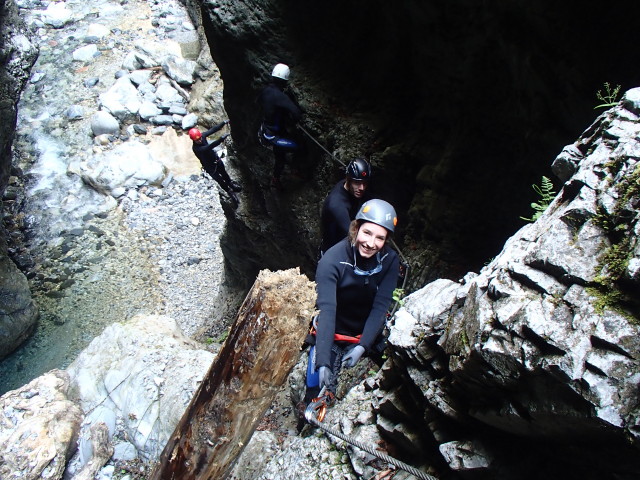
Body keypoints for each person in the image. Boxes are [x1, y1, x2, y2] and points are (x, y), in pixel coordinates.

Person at [302, 199, 400, 416]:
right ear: (356, 228)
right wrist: (324, 361)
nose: (371, 243)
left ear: (387, 240)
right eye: (367, 233)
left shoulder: (389, 260)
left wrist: (363, 346)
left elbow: (381, 306)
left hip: (365, 332)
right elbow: (327, 309)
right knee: (315, 385)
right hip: (335, 331)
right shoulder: (333, 260)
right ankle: (307, 422)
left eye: (380, 238)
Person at [257, 63, 304, 190]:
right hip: (272, 136)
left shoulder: (265, 90)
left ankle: (275, 179)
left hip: (269, 131)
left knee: (280, 157)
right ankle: (295, 170)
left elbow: (260, 103)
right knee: (297, 147)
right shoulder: (280, 96)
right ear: (285, 80)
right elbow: (296, 113)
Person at [319, 158, 372, 255]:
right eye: (357, 183)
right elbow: (353, 235)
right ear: (348, 179)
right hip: (333, 253)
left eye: (364, 183)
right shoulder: (336, 205)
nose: (362, 188)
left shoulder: (350, 187)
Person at [189, 120, 242, 205]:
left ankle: (231, 185)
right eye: (197, 140)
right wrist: (221, 139)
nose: (199, 141)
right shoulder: (196, 149)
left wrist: (224, 122)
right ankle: (230, 192)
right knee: (220, 181)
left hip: (216, 160)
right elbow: (209, 147)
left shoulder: (202, 136)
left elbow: (213, 130)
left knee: (224, 174)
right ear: (193, 140)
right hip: (210, 167)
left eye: (199, 139)